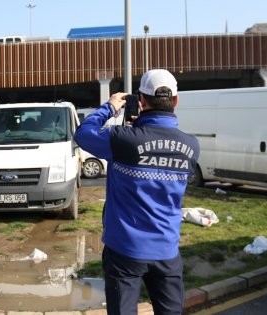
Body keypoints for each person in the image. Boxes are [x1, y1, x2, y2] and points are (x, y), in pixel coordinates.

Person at [74, 69, 200, 315]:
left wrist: (109, 107)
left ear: (141, 101)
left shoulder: (124, 139)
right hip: (167, 250)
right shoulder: (191, 145)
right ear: (175, 101)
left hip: (124, 250)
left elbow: (83, 134)